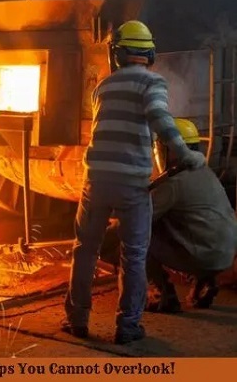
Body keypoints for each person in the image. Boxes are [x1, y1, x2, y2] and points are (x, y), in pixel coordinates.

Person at [62, 20, 207, 345]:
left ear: (117, 55)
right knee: (134, 254)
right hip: (131, 185)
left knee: (85, 250)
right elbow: (160, 119)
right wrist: (185, 153)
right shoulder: (152, 82)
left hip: (95, 181)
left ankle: (76, 320)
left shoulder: (103, 87)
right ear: (150, 54)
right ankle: (127, 327)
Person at [100, 118, 237, 313]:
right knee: (177, 225)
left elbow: (136, 220)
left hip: (202, 253)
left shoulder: (174, 182)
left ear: (171, 149)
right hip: (224, 253)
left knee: (135, 239)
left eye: (159, 146)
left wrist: (98, 238)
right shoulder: (204, 172)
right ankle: (204, 281)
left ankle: (162, 295)